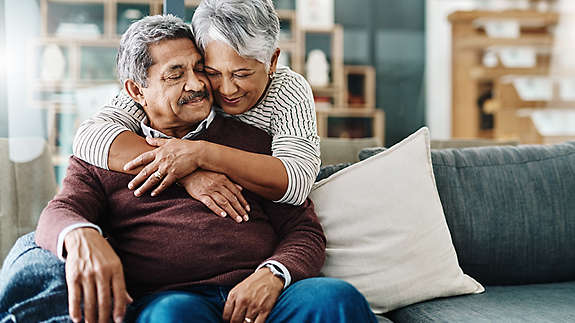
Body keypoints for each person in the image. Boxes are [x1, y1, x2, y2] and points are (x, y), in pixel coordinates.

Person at [0, 15, 377, 323]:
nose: (198, 84)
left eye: (199, 69)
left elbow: (303, 230)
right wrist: (81, 236)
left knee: (335, 299)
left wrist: (273, 274)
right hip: (173, 298)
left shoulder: (252, 140)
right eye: (175, 74)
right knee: (173, 316)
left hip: (264, 295)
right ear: (136, 91)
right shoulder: (106, 151)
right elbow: (59, 212)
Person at [73, 0, 320, 223]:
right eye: (212, 72)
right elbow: (89, 136)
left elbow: (297, 182)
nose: (226, 89)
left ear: (272, 61)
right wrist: (189, 172)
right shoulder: (193, 87)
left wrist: (201, 154)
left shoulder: (287, 91)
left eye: (241, 74)